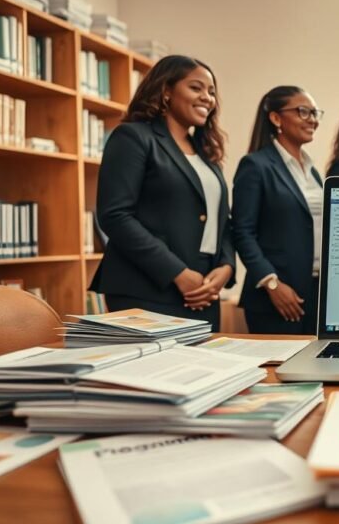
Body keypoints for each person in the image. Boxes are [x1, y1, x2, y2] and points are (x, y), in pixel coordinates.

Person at [91, 55, 235, 331]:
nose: (208, 98)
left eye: (212, 91)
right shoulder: (133, 137)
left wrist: (226, 268)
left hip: (204, 290)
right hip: (146, 287)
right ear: (166, 91)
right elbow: (115, 215)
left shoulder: (207, 154)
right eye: (196, 88)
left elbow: (223, 220)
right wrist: (178, 273)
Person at [231, 86, 325, 334]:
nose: (313, 120)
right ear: (275, 118)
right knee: (280, 371)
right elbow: (242, 231)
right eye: (303, 112)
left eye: (315, 113)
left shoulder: (313, 170)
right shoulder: (256, 165)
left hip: (315, 292)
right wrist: (271, 283)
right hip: (276, 296)